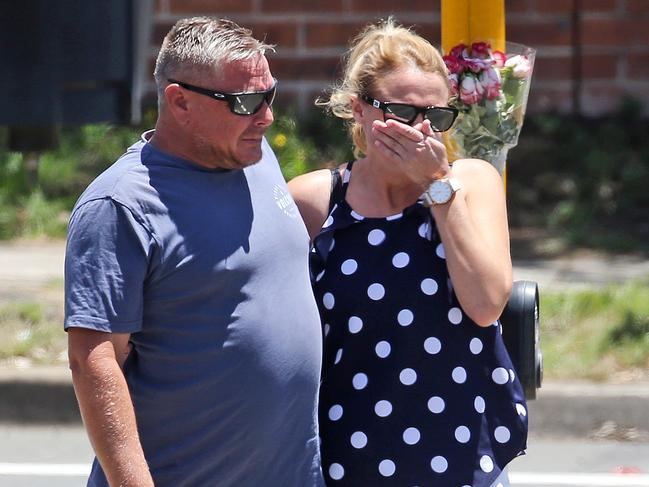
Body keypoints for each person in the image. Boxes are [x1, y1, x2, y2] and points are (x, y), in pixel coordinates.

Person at [65, 17, 325, 487]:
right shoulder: (122, 205)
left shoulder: (256, 154)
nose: (265, 116)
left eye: (270, 94)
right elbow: (94, 360)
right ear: (179, 102)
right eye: (246, 102)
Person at [289, 19, 527, 486]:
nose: (420, 130)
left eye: (435, 117)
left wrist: (437, 187)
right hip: (346, 446)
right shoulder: (316, 202)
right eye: (402, 113)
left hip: (457, 445)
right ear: (359, 110)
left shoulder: (470, 183)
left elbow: (485, 304)